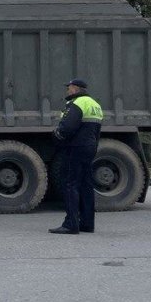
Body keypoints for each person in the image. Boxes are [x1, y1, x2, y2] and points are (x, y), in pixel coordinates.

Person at [50, 78, 103, 235]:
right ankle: (87, 223)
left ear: (76, 89)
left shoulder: (77, 103)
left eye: (69, 88)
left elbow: (67, 127)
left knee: (70, 183)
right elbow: (97, 131)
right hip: (90, 147)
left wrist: (57, 135)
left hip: (75, 147)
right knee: (86, 185)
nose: (68, 91)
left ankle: (71, 224)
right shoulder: (95, 105)